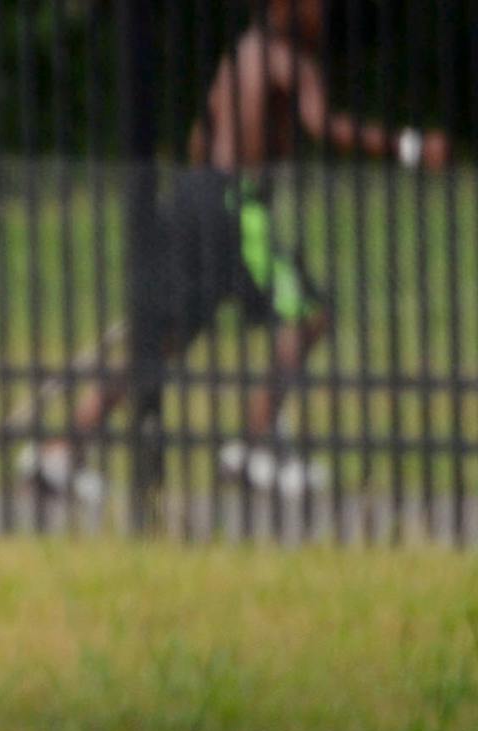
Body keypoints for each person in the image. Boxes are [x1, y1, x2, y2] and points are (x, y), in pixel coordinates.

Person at [24, 0, 452, 503]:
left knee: (162, 340)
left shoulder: (239, 56)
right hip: (235, 206)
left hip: (195, 197)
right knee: (308, 315)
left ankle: (59, 452)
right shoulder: (288, 58)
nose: (323, 15)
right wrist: (410, 148)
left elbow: (197, 139)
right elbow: (321, 124)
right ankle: (256, 446)